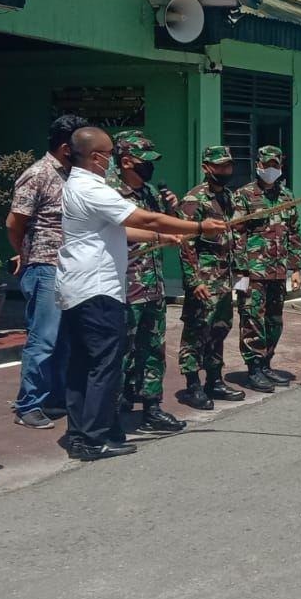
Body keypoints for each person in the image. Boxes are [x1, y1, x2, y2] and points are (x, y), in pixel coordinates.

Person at [57, 127, 225, 461]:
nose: (109, 160)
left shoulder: (77, 185)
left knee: (83, 365)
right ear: (97, 157)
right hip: (98, 289)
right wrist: (198, 227)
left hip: (81, 287)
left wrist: (160, 239)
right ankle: (95, 437)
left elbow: (124, 228)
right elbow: (144, 217)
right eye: (107, 154)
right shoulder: (94, 188)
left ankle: (80, 434)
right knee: (105, 366)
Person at [6, 113, 88, 429]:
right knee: (43, 339)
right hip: (45, 268)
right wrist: (23, 253)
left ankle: (54, 399)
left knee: (65, 340)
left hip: (71, 270)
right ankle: (29, 405)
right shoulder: (37, 175)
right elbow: (15, 222)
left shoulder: (73, 176)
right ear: (67, 147)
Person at [108, 131, 185, 435]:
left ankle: (152, 408)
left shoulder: (149, 192)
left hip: (153, 285)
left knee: (153, 348)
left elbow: (165, 225)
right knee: (120, 353)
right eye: (145, 161)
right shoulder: (109, 193)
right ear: (126, 161)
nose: (150, 167)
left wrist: (171, 208)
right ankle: (112, 415)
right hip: (124, 286)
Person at [175, 146, 245, 411]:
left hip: (225, 275)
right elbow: (185, 244)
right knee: (196, 330)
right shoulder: (194, 200)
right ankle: (192, 384)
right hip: (204, 277)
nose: (225, 171)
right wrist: (194, 282)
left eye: (228, 166)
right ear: (206, 168)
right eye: (220, 166)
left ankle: (214, 379)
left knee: (220, 328)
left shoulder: (227, 196)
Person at [232, 146, 301, 393]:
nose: (271, 169)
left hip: (278, 270)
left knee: (274, 319)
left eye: (276, 164)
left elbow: (294, 233)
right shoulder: (243, 196)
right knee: (252, 319)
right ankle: (253, 368)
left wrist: (295, 268)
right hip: (253, 272)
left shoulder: (286, 196)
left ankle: (266, 363)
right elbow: (237, 236)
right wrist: (240, 271)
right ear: (258, 165)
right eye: (267, 165)